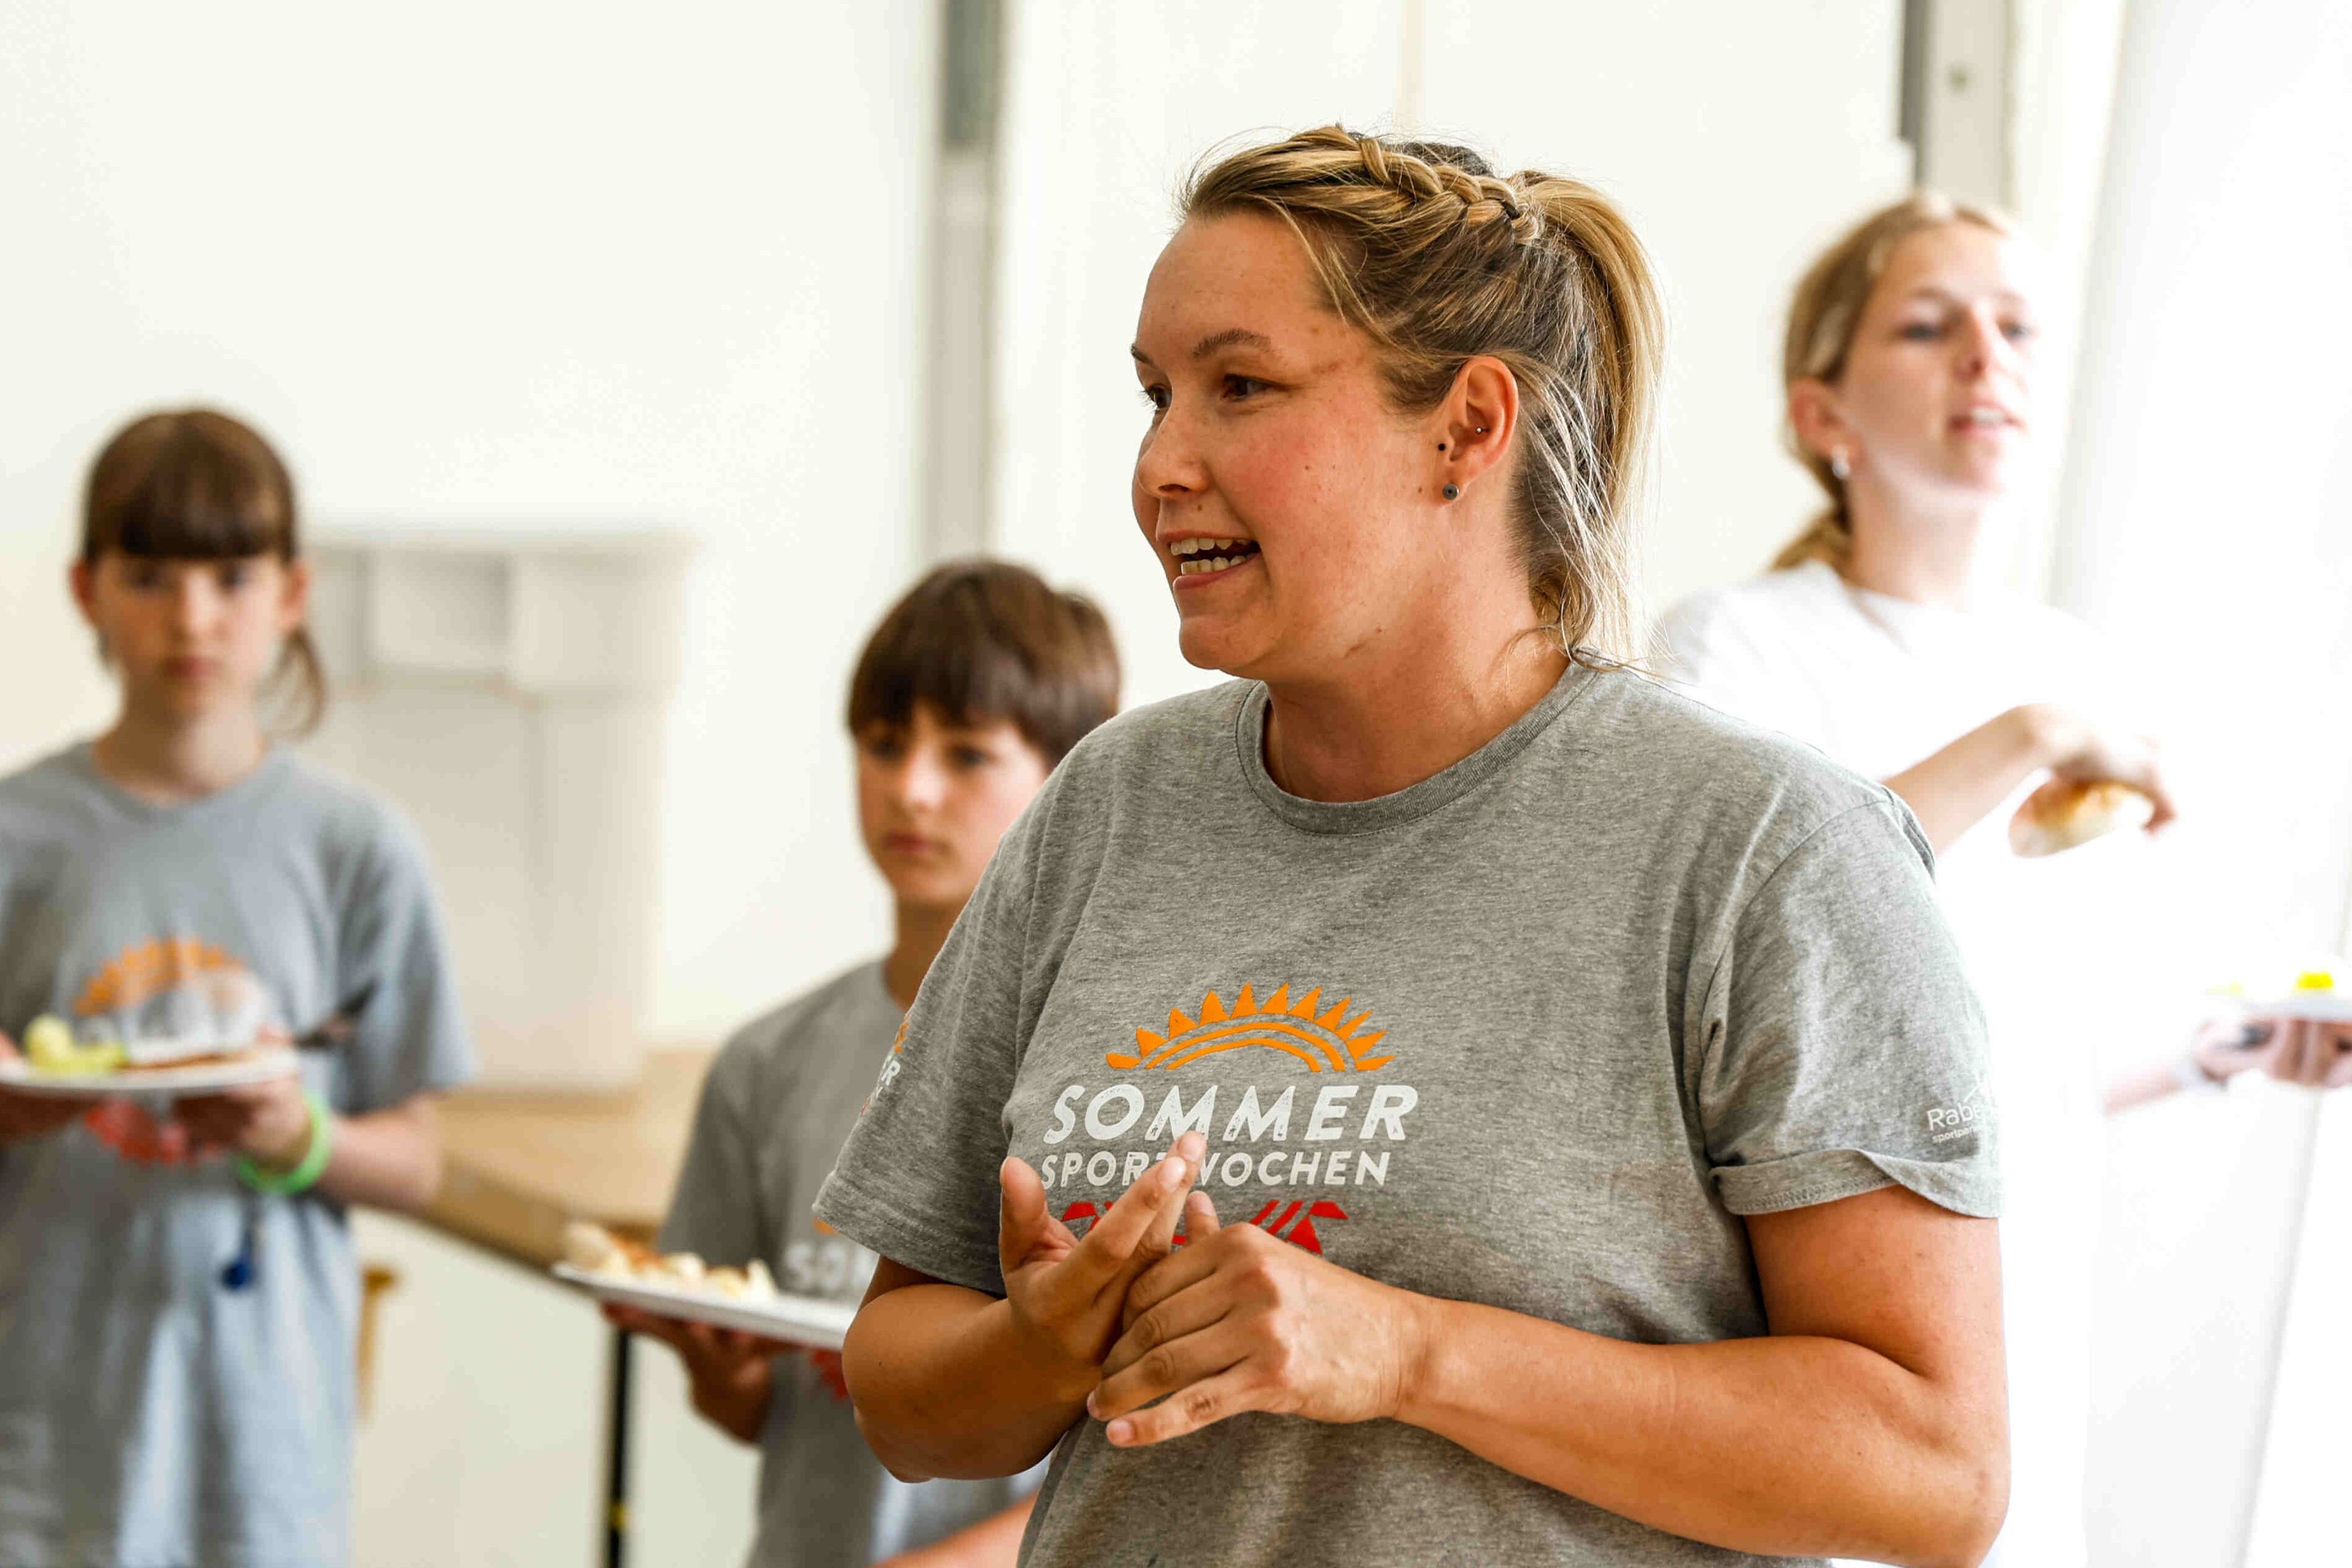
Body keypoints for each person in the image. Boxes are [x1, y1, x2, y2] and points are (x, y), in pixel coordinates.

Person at [810, 128, 2009, 1567]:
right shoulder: (1107, 807)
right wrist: (1036, 1347)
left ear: (1465, 428)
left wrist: (1406, 1354)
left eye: (1240, 387)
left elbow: (1932, 1472)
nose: (1160, 466)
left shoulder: (1769, 851)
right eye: (1153, 395)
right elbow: (902, 1389)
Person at [1654, 194, 2352, 1566]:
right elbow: (1742, 942)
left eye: (2018, 325)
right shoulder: (1731, 652)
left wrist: (2250, 1040)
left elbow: (2027, 1050)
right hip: (1808, 1333)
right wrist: (2023, 742)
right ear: (1823, 417)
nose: (1989, 354)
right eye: (1930, 326)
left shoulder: (2079, 665)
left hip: (2016, 1332)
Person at [0, 408, 473, 1566]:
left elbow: (417, 1157)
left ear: (293, 593)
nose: (193, 617)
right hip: (41, 1434)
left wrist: (297, 1136)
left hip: (263, 1449)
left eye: (231, 574)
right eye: (151, 574)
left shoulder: (358, 850)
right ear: (86, 589)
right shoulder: (17, 836)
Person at [605, 561, 1119, 1567]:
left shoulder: (1119, 1075)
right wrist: (729, 1376)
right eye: (885, 746)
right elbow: (757, 1415)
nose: (911, 790)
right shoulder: (768, 1062)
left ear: (1073, 778)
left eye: (966, 755)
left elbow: (1146, 1442)